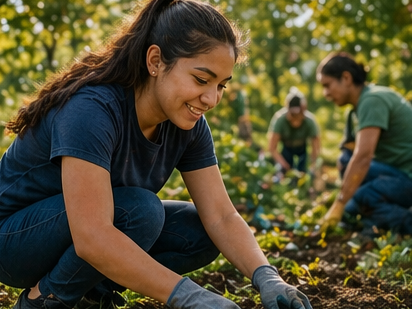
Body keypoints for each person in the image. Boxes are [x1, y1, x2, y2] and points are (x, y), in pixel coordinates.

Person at [0, 0, 313, 308]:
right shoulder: (92, 110)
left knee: (199, 230)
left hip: (81, 235)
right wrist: (188, 295)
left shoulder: (188, 125)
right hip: (13, 243)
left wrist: (267, 277)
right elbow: (92, 235)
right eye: (201, 80)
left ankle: (90, 291)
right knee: (141, 212)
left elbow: (222, 215)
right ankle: (43, 300)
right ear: (155, 61)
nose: (210, 98)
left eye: (221, 86)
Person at [317, 51, 412, 236]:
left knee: (364, 198)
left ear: (346, 78)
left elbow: (363, 157)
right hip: (395, 170)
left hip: (407, 174)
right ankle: (374, 212)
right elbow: (349, 157)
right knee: (346, 164)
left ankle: (405, 222)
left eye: (327, 85)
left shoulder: (372, 100)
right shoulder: (355, 111)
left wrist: (340, 203)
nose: (325, 93)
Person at [268, 88, 320, 176]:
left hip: (302, 151)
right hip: (286, 151)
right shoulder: (279, 120)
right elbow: (272, 148)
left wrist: (312, 165)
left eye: (298, 115)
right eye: (292, 115)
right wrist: (284, 165)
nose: (295, 120)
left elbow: (316, 148)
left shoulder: (310, 121)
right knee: (280, 172)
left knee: (307, 174)